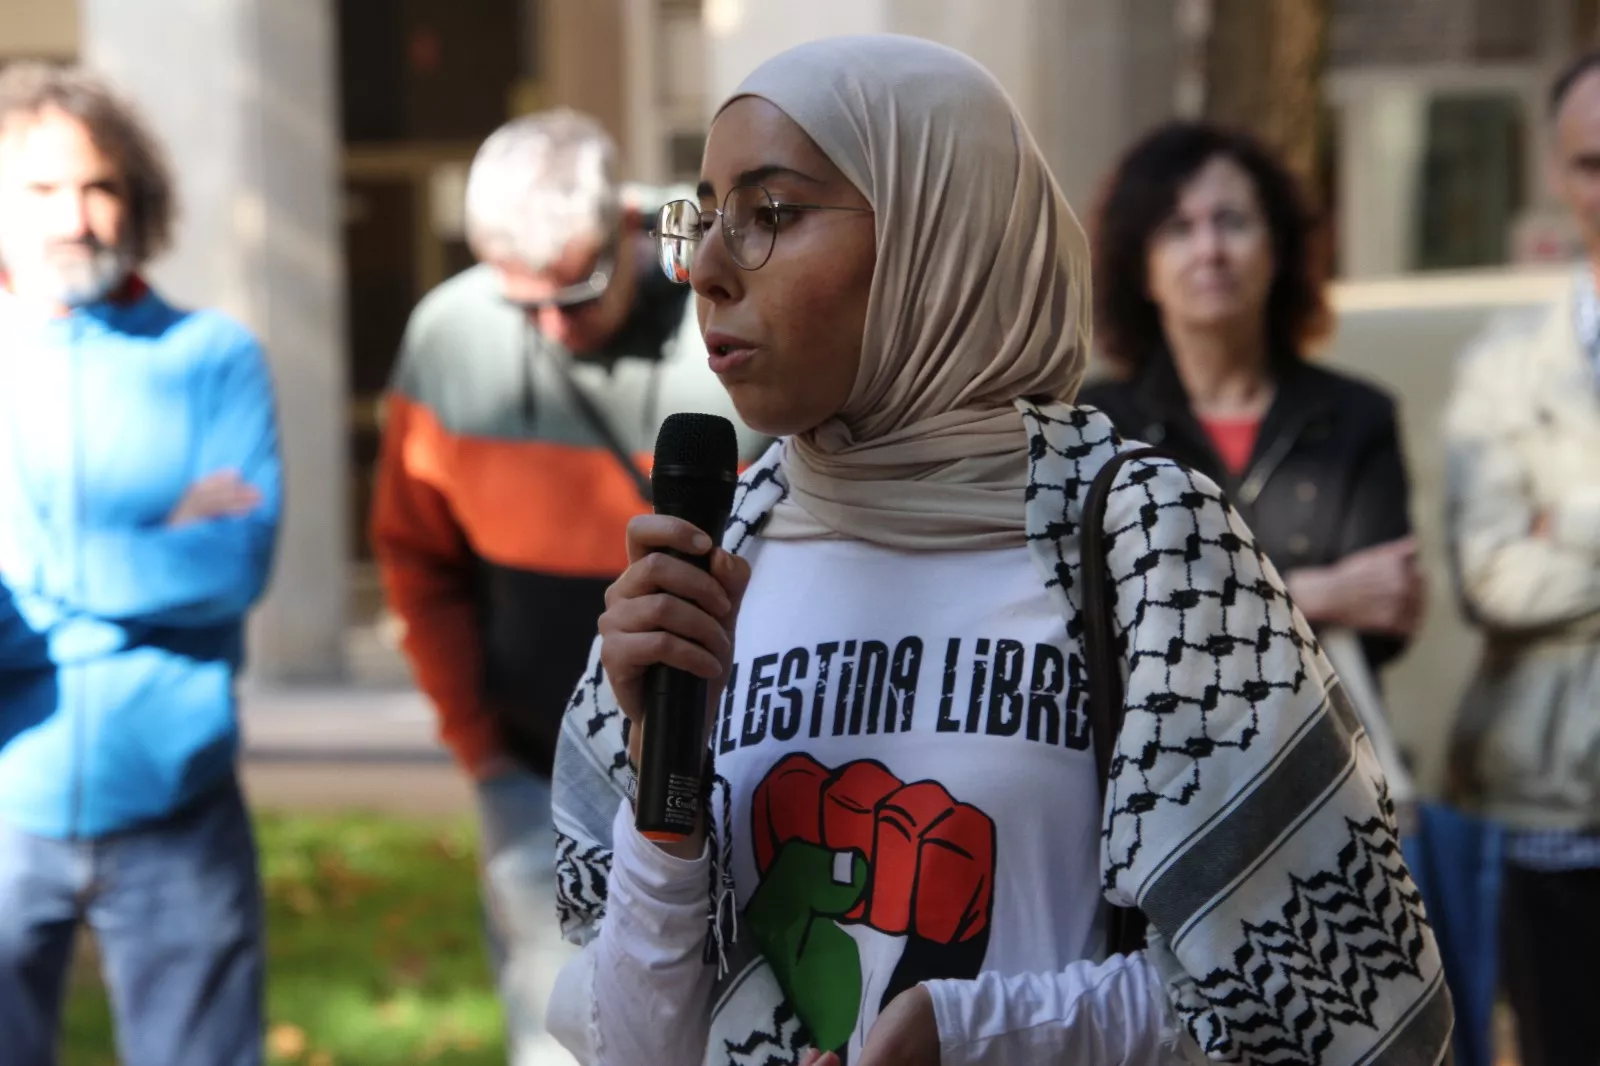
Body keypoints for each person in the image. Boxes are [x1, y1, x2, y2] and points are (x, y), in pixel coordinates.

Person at [546, 35, 1449, 1066]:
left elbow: (1326, 1008)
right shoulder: (725, 548)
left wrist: (977, 1035)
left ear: (944, 232)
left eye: (770, 215)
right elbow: (633, 1047)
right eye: (702, 217)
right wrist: (665, 806)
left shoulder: (1141, 538)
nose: (704, 269)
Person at [370, 108, 761, 1063]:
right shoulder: (449, 333)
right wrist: (477, 739)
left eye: (576, 292)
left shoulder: (733, 320)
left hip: (729, 762)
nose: (549, 325)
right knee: (561, 1031)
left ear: (628, 232)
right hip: (531, 759)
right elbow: (416, 554)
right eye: (521, 301)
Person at [0, 64, 281, 1065]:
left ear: (138, 197)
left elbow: (234, 564)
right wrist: (151, 544)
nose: (74, 216)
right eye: (40, 189)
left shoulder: (212, 358)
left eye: (99, 185)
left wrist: (37, 570)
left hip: (178, 806)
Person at [1079, 122, 1423, 682]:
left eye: (1231, 222)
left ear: (1278, 249)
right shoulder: (1094, 427)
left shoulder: (1359, 416)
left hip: (1319, 745)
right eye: (1177, 229)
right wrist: (1321, 592)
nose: (1209, 250)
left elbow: (1387, 615)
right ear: (1141, 268)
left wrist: (1194, 599)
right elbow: (1100, 613)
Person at [1444, 47, 1600, 1066]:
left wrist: (1568, 522)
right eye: (1593, 162)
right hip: (1558, 797)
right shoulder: (1504, 365)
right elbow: (1493, 576)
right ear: (1557, 172)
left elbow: (1534, 560)